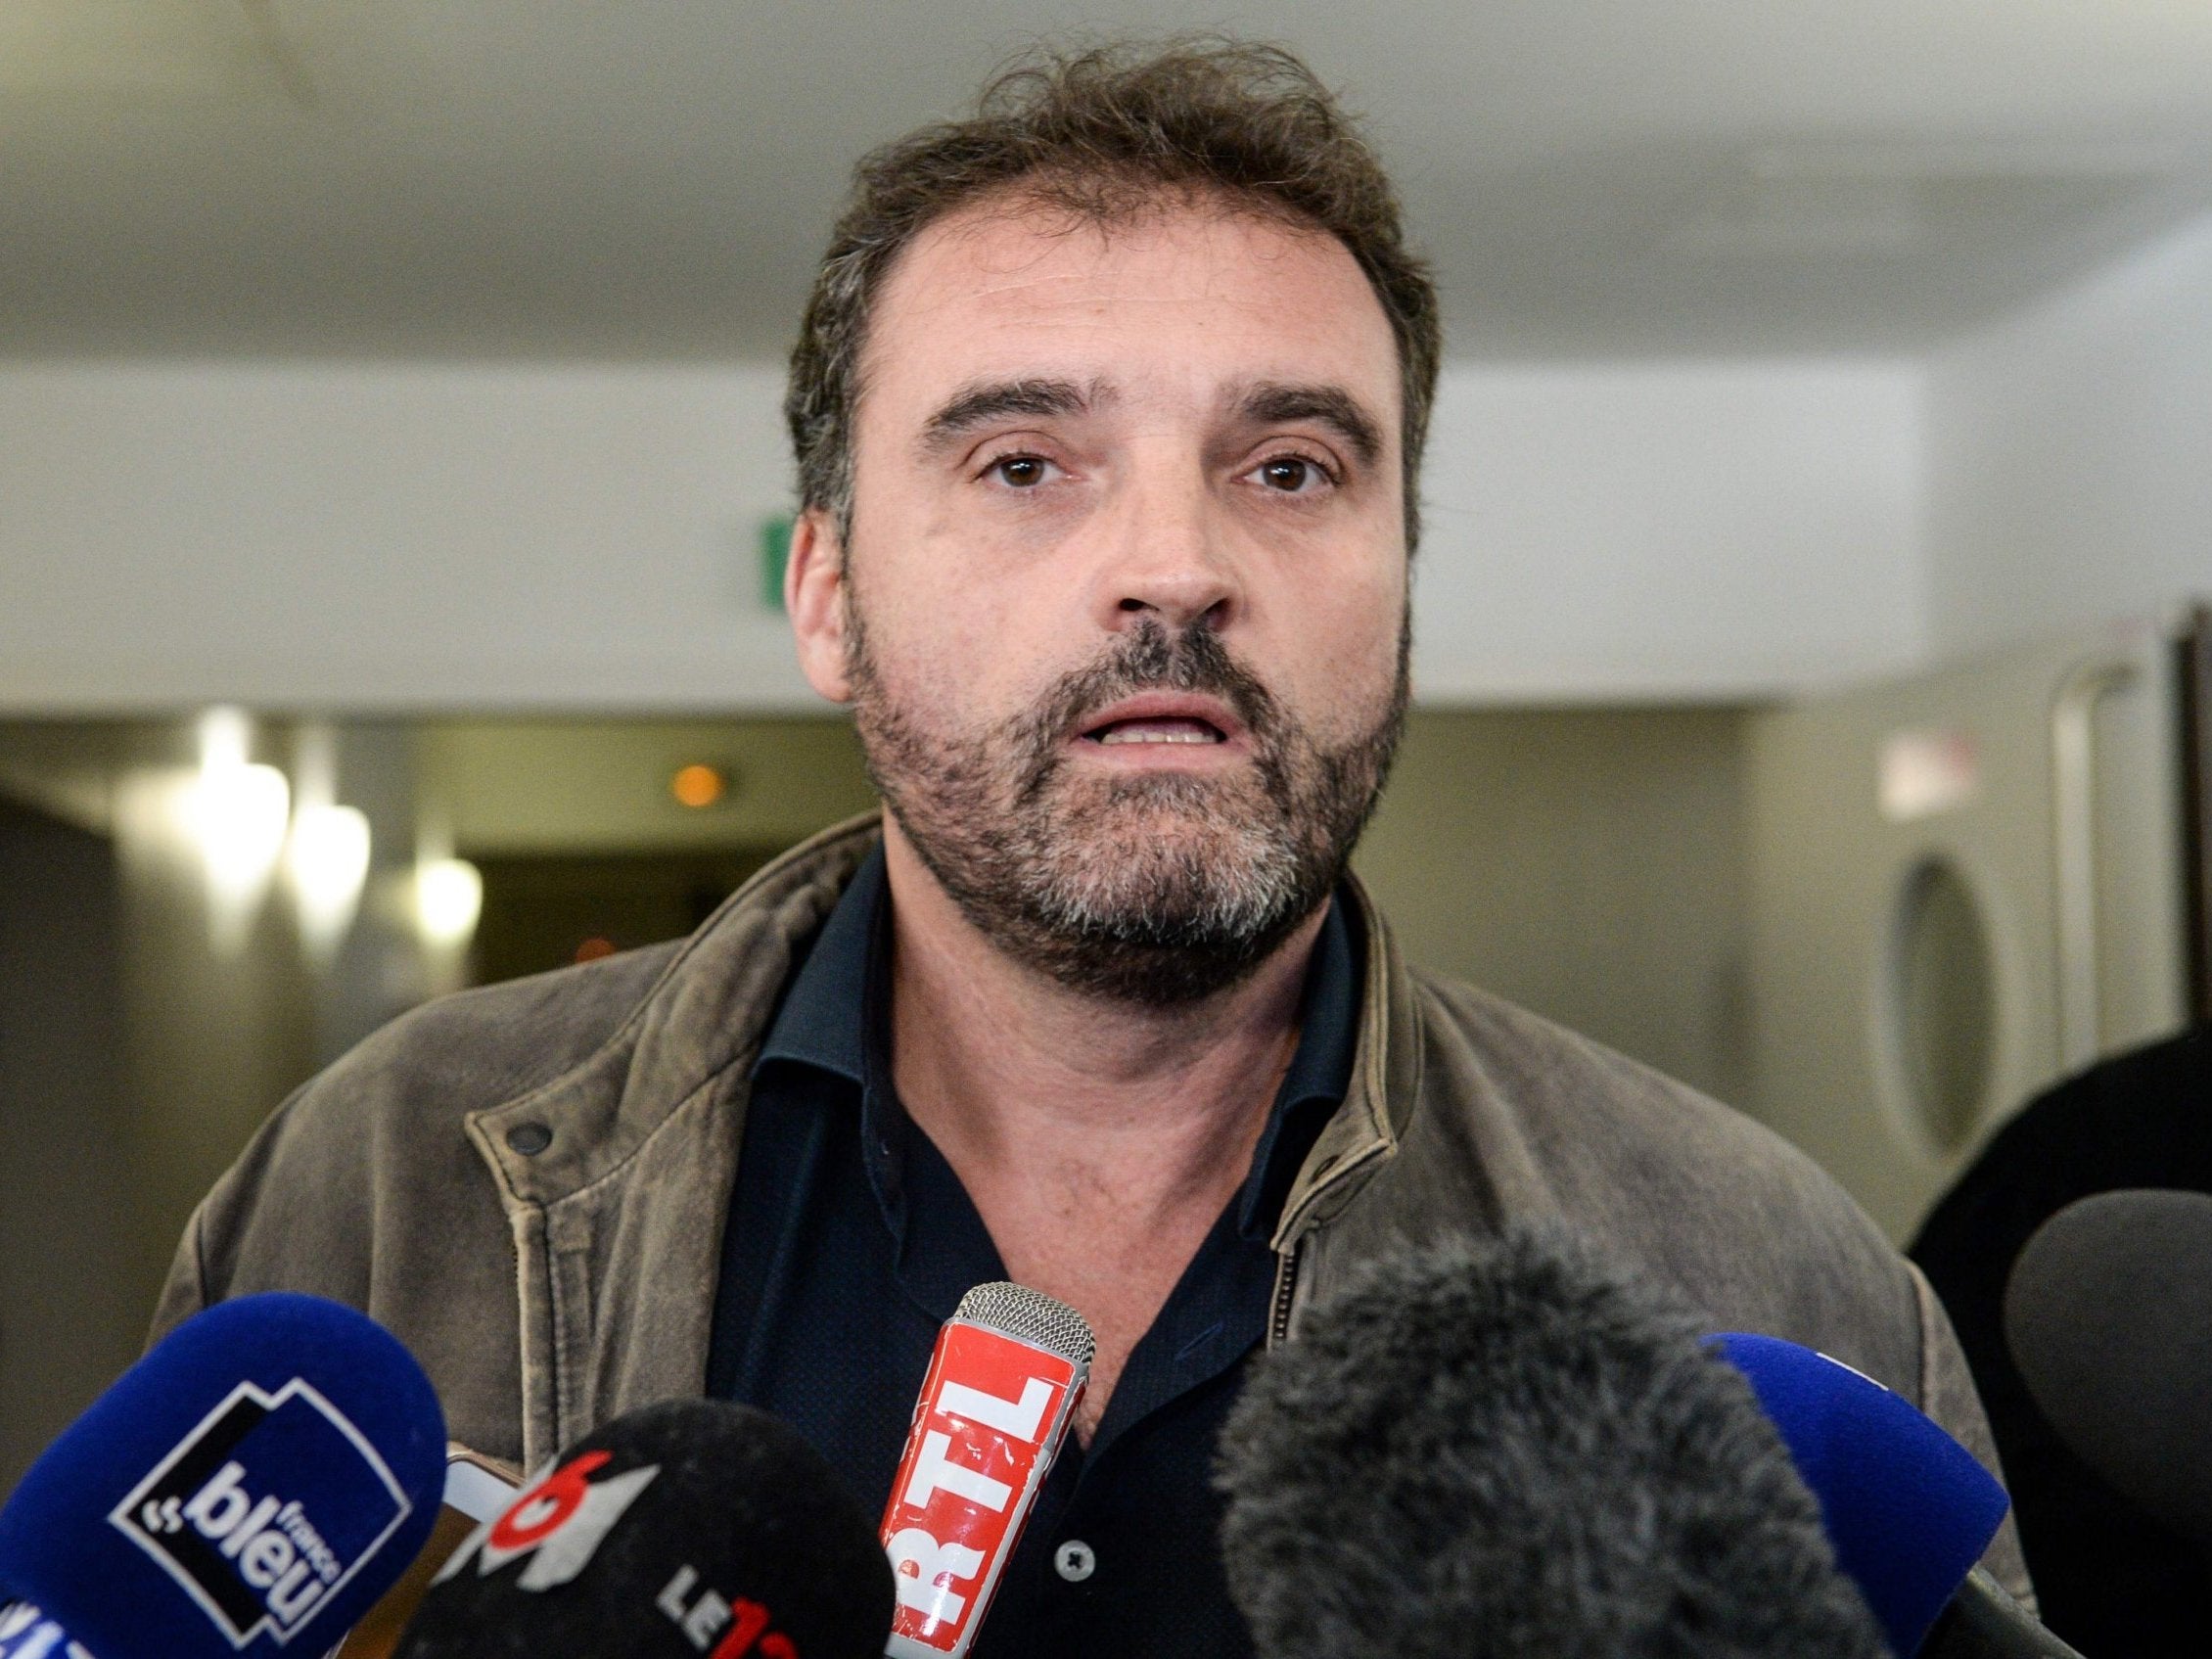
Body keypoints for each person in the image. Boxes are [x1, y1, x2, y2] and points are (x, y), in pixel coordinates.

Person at [153, 40, 2027, 1656]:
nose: (1179, 562)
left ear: (1401, 575)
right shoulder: (384, 1188)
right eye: (1024, 462)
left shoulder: (1773, 1281)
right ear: (828, 598)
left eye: (1290, 465)